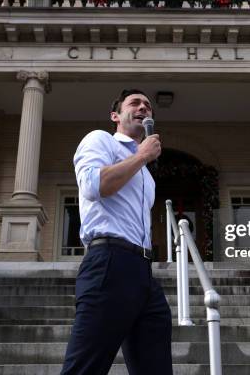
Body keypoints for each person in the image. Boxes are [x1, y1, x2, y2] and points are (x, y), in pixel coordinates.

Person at [61, 89, 173, 375]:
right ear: (115, 115)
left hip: (144, 273)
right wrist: (141, 156)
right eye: (134, 103)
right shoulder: (101, 140)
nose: (143, 108)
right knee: (85, 368)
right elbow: (93, 187)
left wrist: (142, 160)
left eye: (148, 106)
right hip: (109, 262)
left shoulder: (146, 173)